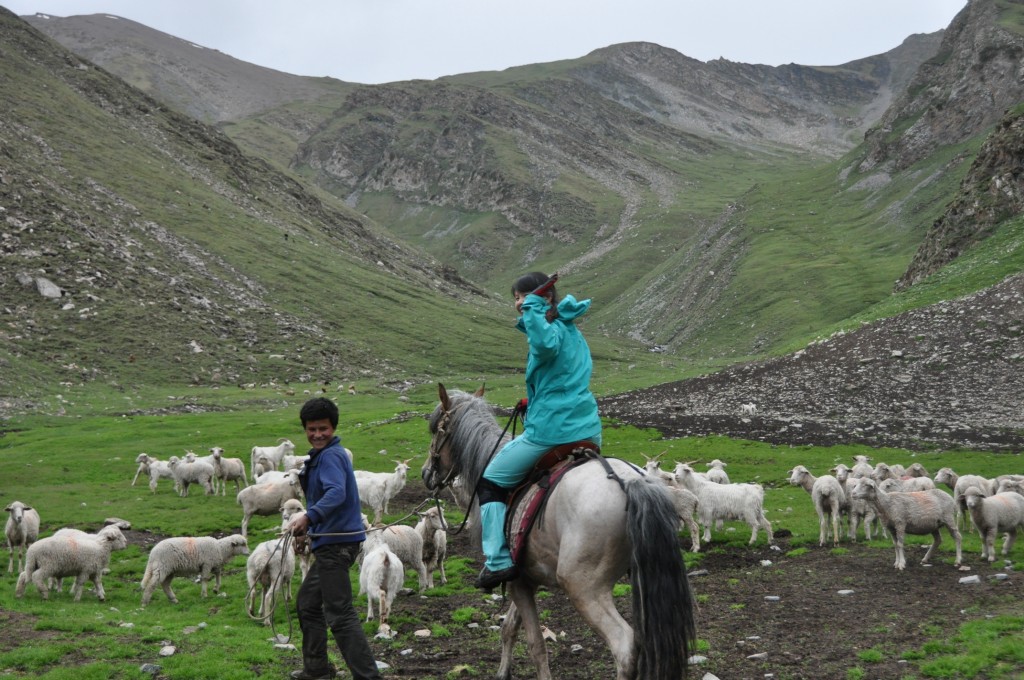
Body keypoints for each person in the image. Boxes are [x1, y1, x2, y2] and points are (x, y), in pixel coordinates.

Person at [473, 272, 602, 590]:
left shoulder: (549, 330)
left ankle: (498, 561)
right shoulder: (571, 329)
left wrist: (531, 310)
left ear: (543, 298)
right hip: (587, 429)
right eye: (516, 299)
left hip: (551, 433)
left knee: (490, 482)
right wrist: (535, 399)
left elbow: (544, 346)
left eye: (522, 297)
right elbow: (564, 378)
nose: (518, 304)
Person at [287, 397, 381, 680]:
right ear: (305, 428)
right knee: (307, 603)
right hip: (332, 541)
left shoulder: (330, 456)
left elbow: (336, 493)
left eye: (323, 428)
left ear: (333, 427)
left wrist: (307, 517)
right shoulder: (325, 456)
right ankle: (316, 670)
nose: (317, 434)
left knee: (340, 614)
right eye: (312, 429)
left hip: (337, 544)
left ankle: (368, 677)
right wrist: (309, 530)